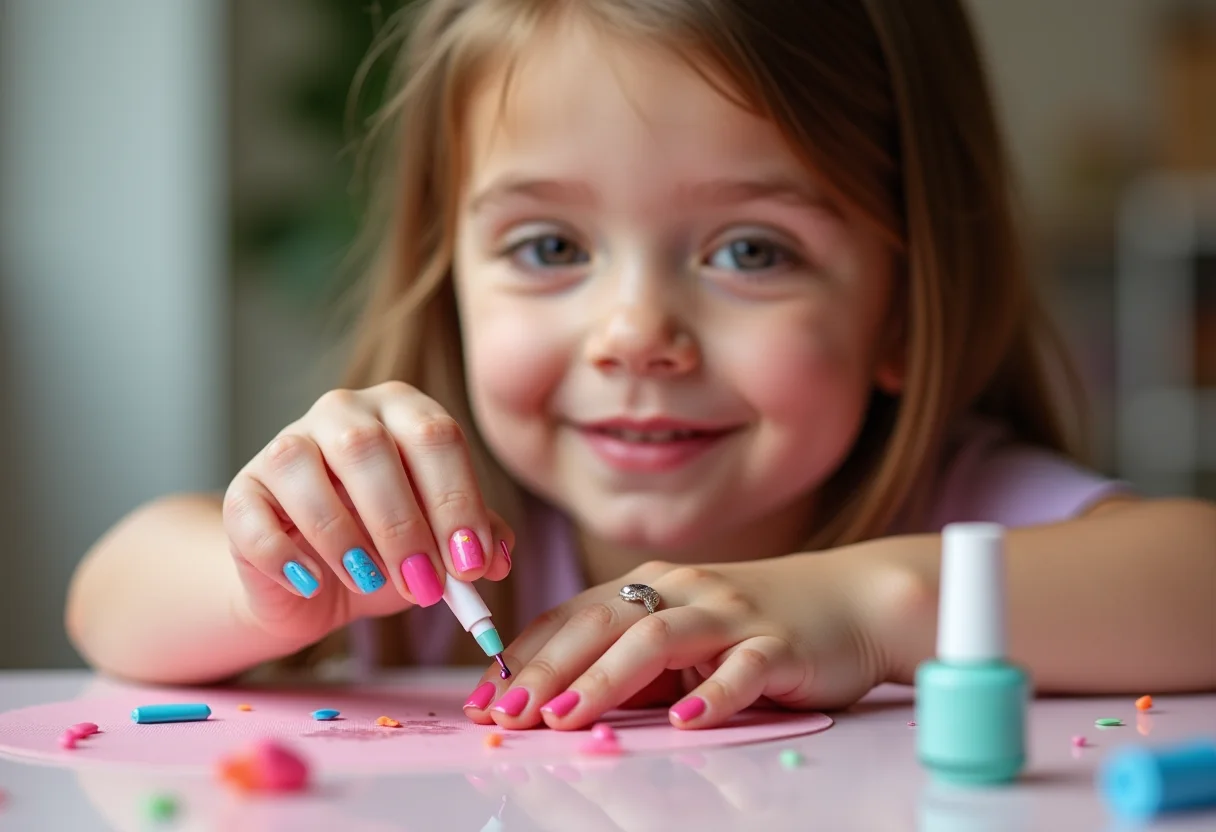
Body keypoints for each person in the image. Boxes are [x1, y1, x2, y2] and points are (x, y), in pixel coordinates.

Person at [67, 0, 1216, 731]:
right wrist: (260, 581)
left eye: (750, 250)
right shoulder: (416, 553)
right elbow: (108, 592)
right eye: (549, 247)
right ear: (452, 279)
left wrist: (854, 607)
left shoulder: (957, 506)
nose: (633, 332)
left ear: (904, 308)